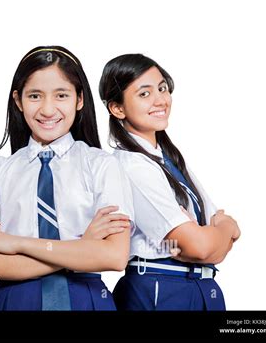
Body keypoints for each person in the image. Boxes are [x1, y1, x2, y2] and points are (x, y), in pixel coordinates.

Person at [0, 46, 134, 310]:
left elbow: (114, 256)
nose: (47, 109)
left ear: (79, 100)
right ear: (18, 100)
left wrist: (15, 243)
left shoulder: (102, 165)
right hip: (15, 301)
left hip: (86, 299)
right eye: (35, 96)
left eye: (61, 95)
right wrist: (82, 248)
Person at [98, 53, 241, 310]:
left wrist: (216, 233)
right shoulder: (132, 166)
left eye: (162, 88)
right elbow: (199, 246)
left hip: (200, 288)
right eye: (144, 93)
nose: (160, 100)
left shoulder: (168, 159)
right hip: (161, 289)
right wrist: (220, 230)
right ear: (117, 108)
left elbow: (220, 235)